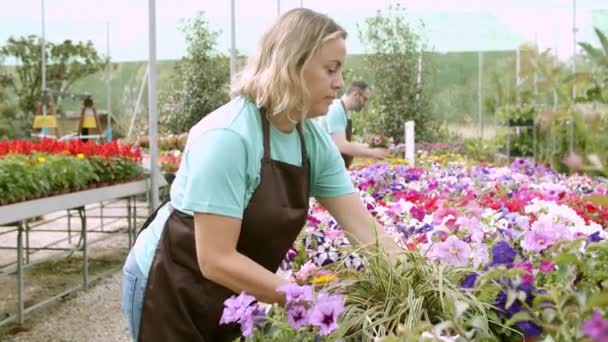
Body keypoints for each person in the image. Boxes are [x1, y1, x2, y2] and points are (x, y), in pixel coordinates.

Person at [121, 8, 400, 342]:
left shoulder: (312, 142)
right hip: (172, 281)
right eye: (330, 69)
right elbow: (215, 259)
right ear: (292, 64)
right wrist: (305, 298)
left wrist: (421, 283)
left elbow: (366, 231)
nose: (339, 83)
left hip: (233, 288)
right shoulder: (229, 137)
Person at [323, 81, 389, 168]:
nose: (365, 104)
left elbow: (347, 143)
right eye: (364, 99)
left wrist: (369, 147)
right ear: (356, 94)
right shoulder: (336, 110)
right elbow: (341, 145)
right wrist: (372, 153)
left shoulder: (345, 111)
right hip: (326, 166)